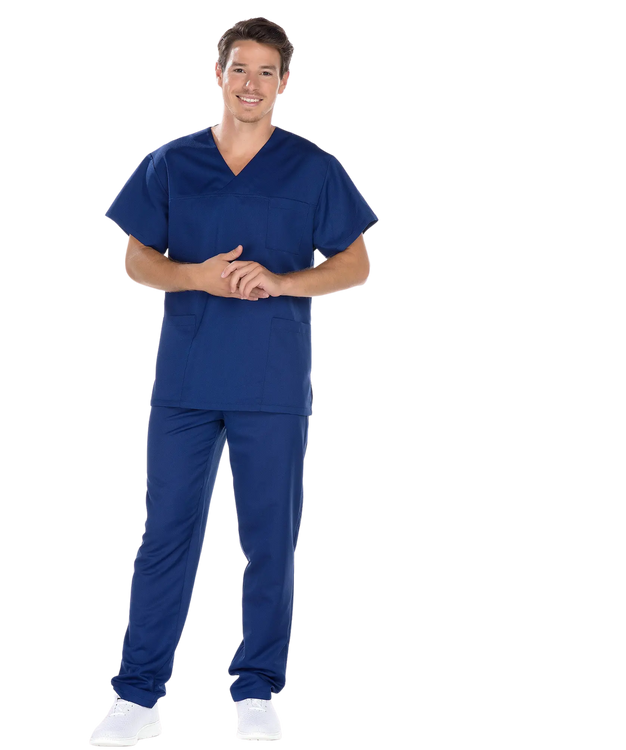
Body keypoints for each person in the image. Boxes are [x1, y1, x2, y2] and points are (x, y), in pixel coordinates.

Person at [87, 14, 380, 748]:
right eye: (239, 69)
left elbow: (357, 264)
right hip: (185, 381)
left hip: (271, 381)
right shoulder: (170, 162)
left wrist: (283, 281)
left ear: (285, 83)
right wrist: (194, 276)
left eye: (266, 73)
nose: (251, 84)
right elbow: (134, 259)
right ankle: (137, 695)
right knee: (165, 535)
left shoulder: (313, 167)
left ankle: (256, 688)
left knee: (269, 539)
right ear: (216, 74)